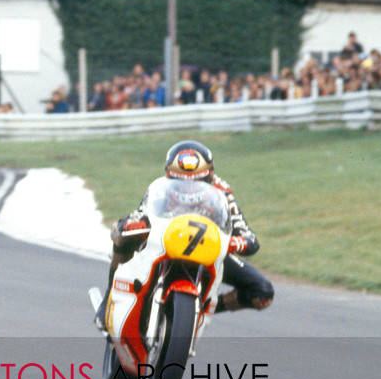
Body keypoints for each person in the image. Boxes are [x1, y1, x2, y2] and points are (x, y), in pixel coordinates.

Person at [93, 140, 274, 330]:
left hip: (206, 249)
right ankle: (109, 298)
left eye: (197, 182)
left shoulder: (223, 191)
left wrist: (236, 243)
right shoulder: (161, 188)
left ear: (211, 177)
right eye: (180, 182)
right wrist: (129, 226)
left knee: (263, 293)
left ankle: (201, 309)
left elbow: (247, 234)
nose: (189, 189)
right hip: (164, 245)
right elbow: (140, 214)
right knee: (124, 234)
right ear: (168, 175)